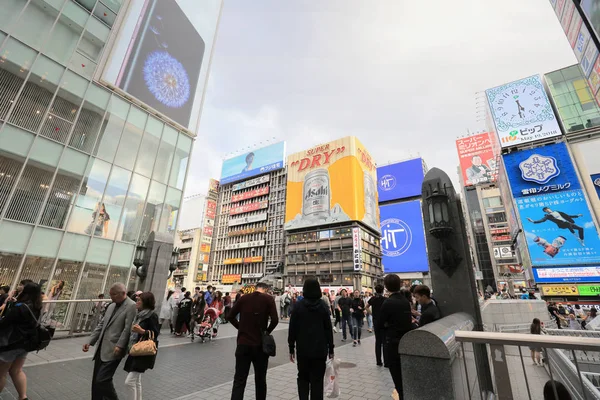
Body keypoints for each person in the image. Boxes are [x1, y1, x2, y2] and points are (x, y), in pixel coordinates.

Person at [83, 282, 136, 400]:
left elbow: (128, 328)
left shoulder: (131, 306)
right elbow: (102, 324)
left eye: (114, 295)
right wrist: (90, 341)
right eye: (111, 294)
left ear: (123, 293)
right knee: (96, 381)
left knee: (102, 379)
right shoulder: (111, 306)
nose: (111, 297)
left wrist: (120, 345)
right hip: (101, 348)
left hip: (115, 349)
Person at [228, 282, 278, 400]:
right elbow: (275, 320)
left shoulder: (244, 298)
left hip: (243, 344)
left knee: (239, 380)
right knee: (260, 379)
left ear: (255, 289)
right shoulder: (268, 299)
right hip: (260, 345)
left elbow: (230, 316)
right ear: (265, 289)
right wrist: (266, 332)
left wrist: (240, 327)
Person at [288, 279, 334, 400]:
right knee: (317, 380)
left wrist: (291, 348)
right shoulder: (323, 306)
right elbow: (328, 329)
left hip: (303, 349)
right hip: (320, 349)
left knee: (302, 377)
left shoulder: (298, 306)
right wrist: (331, 348)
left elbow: (292, 328)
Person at [0, 282, 43, 399]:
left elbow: (4, 323)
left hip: (11, 344)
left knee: (1, 373)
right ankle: (23, 397)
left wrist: (10, 306)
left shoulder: (20, 308)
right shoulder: (37, 306)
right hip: (25, 344)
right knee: (16, 370)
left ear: (25, 292)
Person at [377, 274, 413, 398]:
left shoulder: (388, 303)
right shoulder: (405, 301)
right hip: (406, 340)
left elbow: (380, 323)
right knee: (405, 377)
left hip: (392, 342)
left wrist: (387, 325)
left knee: (397, 378)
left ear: (386, 286)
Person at [123, 292, 160, 400]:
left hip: (143, 351)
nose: (137, 302)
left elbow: (155, 334)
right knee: (136, 381)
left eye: (139, 300)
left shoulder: (152, 315)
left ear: (146, 302)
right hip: (135, 350)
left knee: (129, 382)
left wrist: (142, 331)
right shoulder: (139, 314)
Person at [367, 284, 386, 366]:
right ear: (382, 291)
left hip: (376, 321)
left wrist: (372, 314)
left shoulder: (373, 299)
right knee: (385, 342)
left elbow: (366, 307)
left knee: (378, 341)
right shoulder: (385, 299)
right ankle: (386, 362)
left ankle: (378, 361)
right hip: (384, 321)